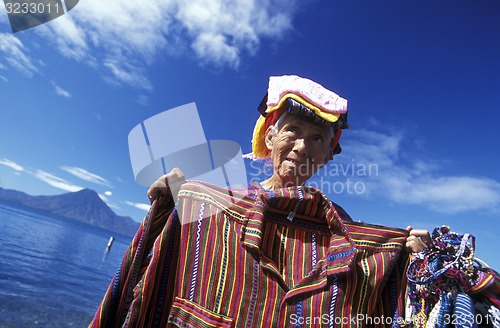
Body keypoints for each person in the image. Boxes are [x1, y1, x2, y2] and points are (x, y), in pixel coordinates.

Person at [90, 75, 431, 327]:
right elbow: (157, 271)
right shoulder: (217, 205)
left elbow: (365, 292)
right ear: (270, 136)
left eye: (316, 139)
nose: (301, 145)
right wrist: (176, 199)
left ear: (327, 155)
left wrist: (407, 259)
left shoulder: (339, 227)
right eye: (292, 130)